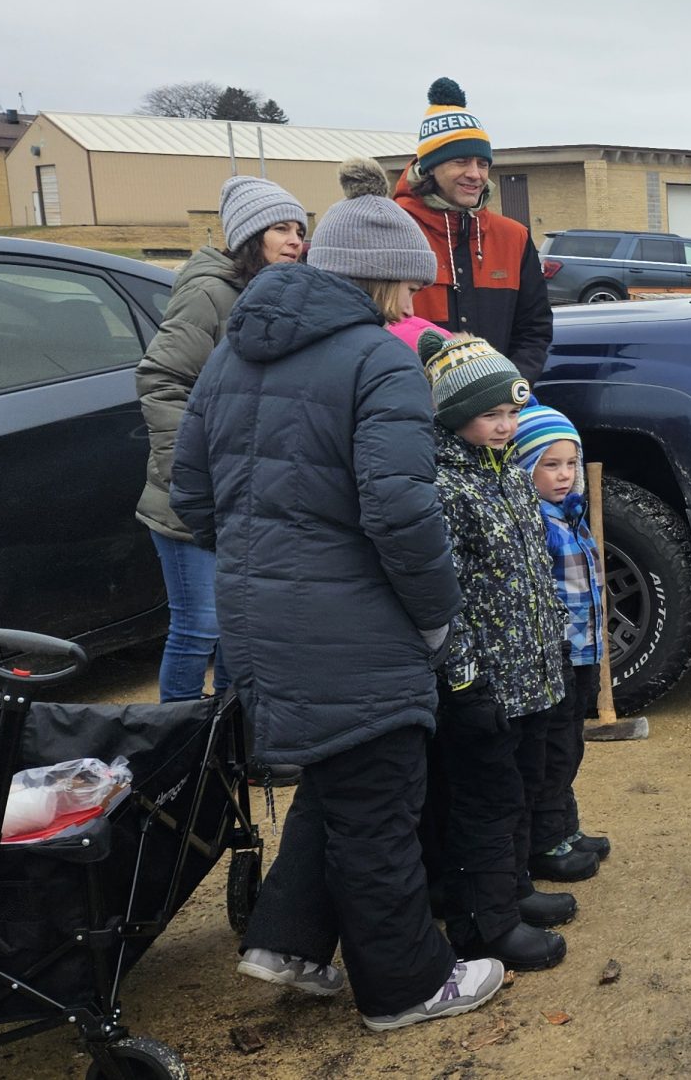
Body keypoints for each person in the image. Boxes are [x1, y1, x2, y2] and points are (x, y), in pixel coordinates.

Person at [172, 156, 503, 1031]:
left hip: (257, 618)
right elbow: (401, 512)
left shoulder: (232, 353)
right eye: (409, 283)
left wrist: (260, 561)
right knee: (381, 803)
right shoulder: (376, 363)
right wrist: (437, 618)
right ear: (383, 277)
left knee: (339, 773)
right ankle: (406, 985)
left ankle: (287, 940)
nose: (412, 301)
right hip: (352, 621)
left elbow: (191, 495)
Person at [418, 329, 573, 971]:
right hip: (483, 683)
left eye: (512, 412)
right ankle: (484, 922)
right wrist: (463, 678)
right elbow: (442, 595)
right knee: (484, 800)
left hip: (531, 673)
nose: (507, 424)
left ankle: (512, 891)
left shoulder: (509, 474)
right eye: (492, 415)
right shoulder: (446, 489)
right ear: (455, 417)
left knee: (522, 786)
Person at [135, 175, 305, 704]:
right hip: (192, 498)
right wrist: (186, 470)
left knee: (241, 629)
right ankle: (178, 751)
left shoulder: (281, 294)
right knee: (199, 628)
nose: (296, 240)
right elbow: (161, 379)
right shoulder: (209, 292)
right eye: (281, 228)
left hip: (248, 496)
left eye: (301, 228)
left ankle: (236, 745)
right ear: (249, 237)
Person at [511, 403, 613, 883]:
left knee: (570, 744)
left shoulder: (572, 516)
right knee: (552, 749)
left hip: (583, 653)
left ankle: (565, 828)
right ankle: (546, 841)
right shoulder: (535, 523)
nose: (565, 475)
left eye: (571, 463)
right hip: (556, 656)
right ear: (524, 466)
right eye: (549, 465)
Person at [394, 77, 552, 382]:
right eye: (461, 161)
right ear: (428, 167)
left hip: (497, 413)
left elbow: (534, 329)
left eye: (483, 163)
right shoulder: (394, 228)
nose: (475, 174)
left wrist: (506, 389)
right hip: (414, 407)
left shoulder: (513, 237)